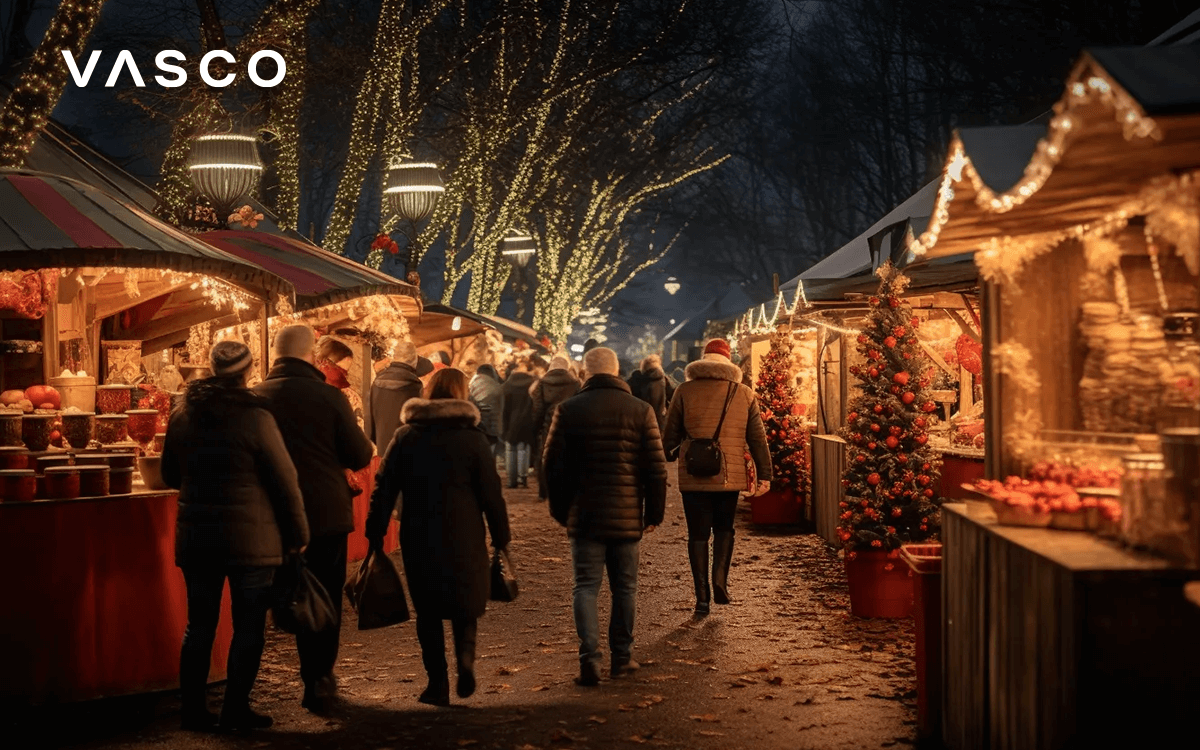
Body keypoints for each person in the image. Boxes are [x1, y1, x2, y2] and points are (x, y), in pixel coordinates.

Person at [162, 341, 310, 732]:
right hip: (252, 541)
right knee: (248, 625)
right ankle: (235, 710)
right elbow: (285, 480)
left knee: (200, 625)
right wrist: (298, 533)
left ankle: (193, 711)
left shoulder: (183, 414)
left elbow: (169, 475)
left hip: (197, 538)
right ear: (247, 371)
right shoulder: (256, 416)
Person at [365, 368, 512, 707]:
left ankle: (437, 683)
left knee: (428, 610)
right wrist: (501, 536)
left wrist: (375, 530)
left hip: (419, 532)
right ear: (463, 394)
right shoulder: (473, 439)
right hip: (465, 533)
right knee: (464, 604)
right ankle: (465, 662)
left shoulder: (406, 436)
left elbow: (384, 488)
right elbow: (492, 493)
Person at [253, 325, 375, 714]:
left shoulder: (254, 398)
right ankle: (318, 678)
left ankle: (245, 691)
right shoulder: (329, 397)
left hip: (269, 514)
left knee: (266, 597)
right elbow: (358, 453)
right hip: (324, 513)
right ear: (311, 356)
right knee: (323, 595)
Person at [542, 347, 667, 686]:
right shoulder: (641, 411)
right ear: (617, 372)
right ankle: (622, 658)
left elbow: (551, 466)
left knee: (585, 587)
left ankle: (589, 660)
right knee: (625, 588)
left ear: (585, 373)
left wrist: (560, 511)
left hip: (583, 515)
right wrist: (653, 513)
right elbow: (656, 470)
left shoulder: (568, 410)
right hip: (627, 516)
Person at [662, 338, 772, 616]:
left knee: (697, 534)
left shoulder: (684, 391)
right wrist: (765, 474)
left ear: (703, 360)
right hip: (729, 472)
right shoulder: (743, 393)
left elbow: (670, 434)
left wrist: (671, 451)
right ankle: (720, 582)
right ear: (728, 361)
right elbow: (757, 438)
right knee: (724, 528)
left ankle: (702, 597)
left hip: (693, 472)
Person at [530, 356, 580, 500]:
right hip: (569, 423)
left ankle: (544, 491)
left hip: (549, 422)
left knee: (545, 456)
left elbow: (538, 408)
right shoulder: (575, 383)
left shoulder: (542, 383)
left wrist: (536, 426)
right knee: (567, 456)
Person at [365, 340, 423, 454]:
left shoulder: (377, 382)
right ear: (413, 359)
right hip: (406, 449)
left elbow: (369, 417)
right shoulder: (415, 385)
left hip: (382, 447)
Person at [500, 358, 538, 488]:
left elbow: (503, 407)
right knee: (524, 449)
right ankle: (523, 477)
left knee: (510, 450)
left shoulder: (507, 385)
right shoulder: (533, 383)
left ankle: (512, 480)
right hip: (527, 421)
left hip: (510, 422)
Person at [469, 364, 504, 457]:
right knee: (491, 453)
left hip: (477, 423)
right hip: (493, 424)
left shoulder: (471, 383)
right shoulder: (497, 386)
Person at [633, 354, 674, 433]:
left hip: (641, 419)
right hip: (660, 420)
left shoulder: (637, 379)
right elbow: (673, 396)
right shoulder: (664, 380)